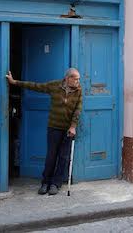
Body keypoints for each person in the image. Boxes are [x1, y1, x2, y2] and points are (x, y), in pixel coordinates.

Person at [6, 68, 82, 196]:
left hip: (68, 129)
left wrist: (73, 126)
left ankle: (55, 184)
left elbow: (77, 110)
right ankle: (45, 182)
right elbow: (36, 86)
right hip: (54, 127)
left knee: (63, 157)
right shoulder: (54, 85)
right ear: (68, 78)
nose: (78, 82)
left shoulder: (78, 91)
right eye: (76, 79)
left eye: (79, 79)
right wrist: (15, 82)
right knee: (51, 156)